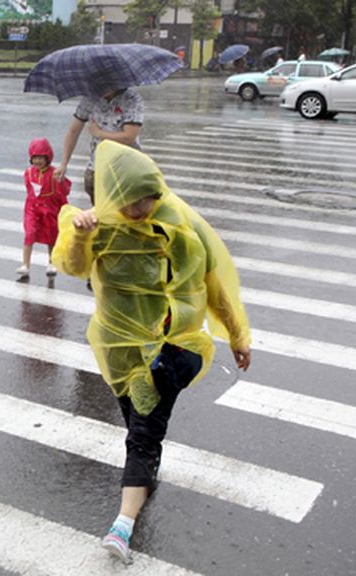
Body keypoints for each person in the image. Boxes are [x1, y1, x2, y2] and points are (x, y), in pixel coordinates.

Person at [52, 140, 251, 565]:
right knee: (137, 422)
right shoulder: (98, 227)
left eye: (149, 200)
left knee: (141, 435)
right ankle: (147, 471)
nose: (143, 210)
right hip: (120, 351)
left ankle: (122, 525)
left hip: (170, 350)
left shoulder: (179, 226)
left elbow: (212, 287)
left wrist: (236, 334)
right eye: (132, 203)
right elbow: (74, 267)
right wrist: (80, 236)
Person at [53, 88, 144, 207]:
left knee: (126, 216)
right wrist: (64, 163)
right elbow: (73, 131)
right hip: (97, 168)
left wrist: (99, 133)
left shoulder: (131, 99)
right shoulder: (90, 98)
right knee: (100, 215)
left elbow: (129, 137)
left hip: (126, 169)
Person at [17, 138, 71, 279]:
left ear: (48, 158)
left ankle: (51, 262)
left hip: (50, 210)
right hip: (33, 209)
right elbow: (29, 191)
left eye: (41, 158)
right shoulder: (29, 173)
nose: (38, 161)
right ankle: (25, 265)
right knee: (30, 233)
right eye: (35, 158)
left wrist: (61, 180)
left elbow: (65, 190)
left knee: (51, 235)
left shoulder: (55, 173)